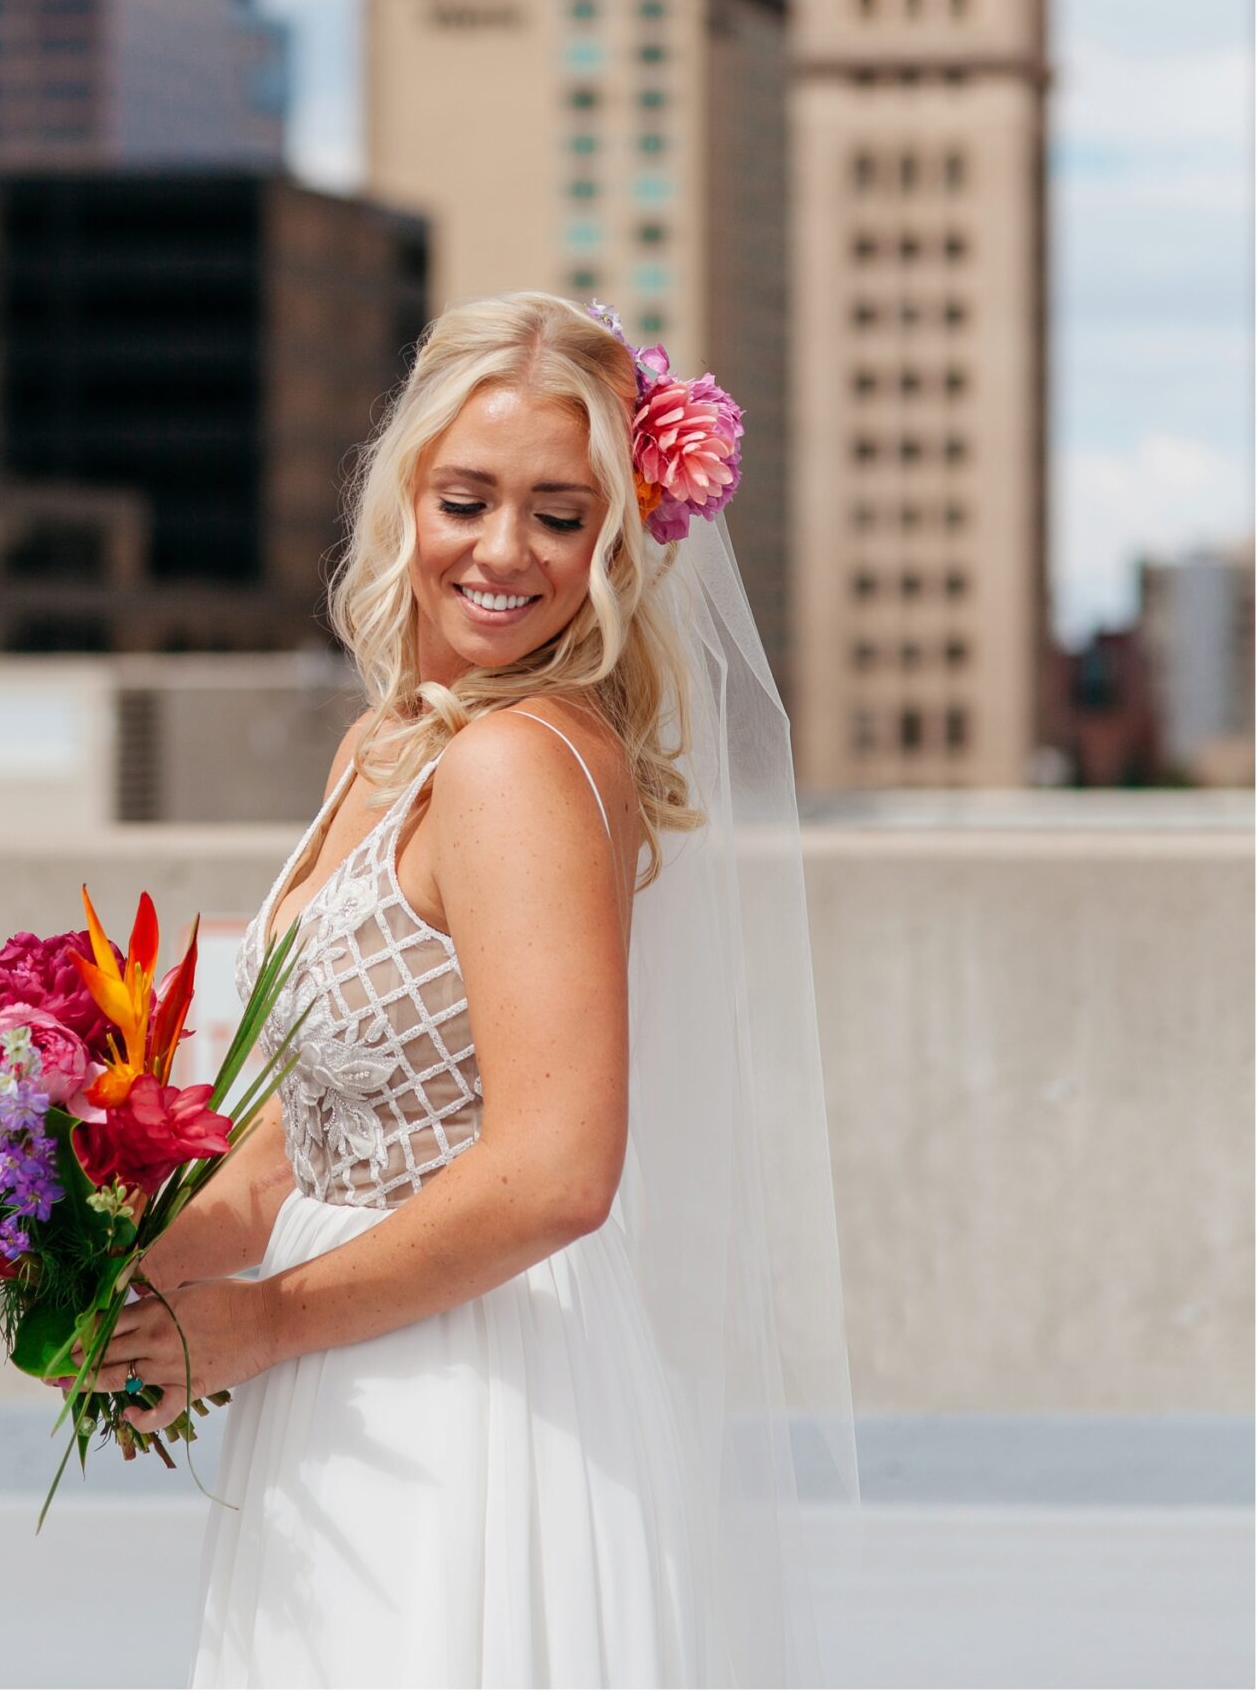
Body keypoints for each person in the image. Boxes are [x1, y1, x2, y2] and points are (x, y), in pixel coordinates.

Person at [84, 292, 855, 1688]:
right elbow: (287, 1146)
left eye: (559, 515)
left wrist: (264, 1321)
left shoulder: (514, 768)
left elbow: (559, 1172)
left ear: (617, 541)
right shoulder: (392, 747)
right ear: (404, 500)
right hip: (338, 1386)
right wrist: (106, 1281)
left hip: (470, 1408)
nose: (503, 551)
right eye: (467, 499)